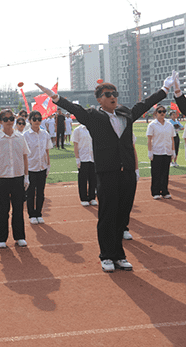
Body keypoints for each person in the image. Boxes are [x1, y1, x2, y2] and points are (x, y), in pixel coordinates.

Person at [36, 72, 178, 273]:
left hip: (127, 171)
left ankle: (119, 255)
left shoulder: (126, 113)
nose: (113, 96)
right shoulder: (94, 117)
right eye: (108, 93)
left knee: (122, 215)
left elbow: (145, 104)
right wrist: (55, 96)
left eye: (115, 93)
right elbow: (73, 108)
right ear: (99, 99)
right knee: (107, 214)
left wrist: (164, 89)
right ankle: (107, 256)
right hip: (107, 172)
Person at [0, 109, 30, 248]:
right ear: (0, 122)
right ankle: (1, 238)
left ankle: (19, 236)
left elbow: (25, 156)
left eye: (11, 118)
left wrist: (26, 176)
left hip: (17, 178)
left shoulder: (20, 137)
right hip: (2, 178)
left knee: (18, 209)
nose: (9, 122)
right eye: (5, 119)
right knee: (1, 210)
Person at [23, 111, 52, 224]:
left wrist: (48, 165)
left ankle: (39, 213)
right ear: (29, 120)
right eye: (34, 119)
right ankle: (32, 215)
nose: (37, 121)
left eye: (39, 119)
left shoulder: (45, 134)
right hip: (30, 168)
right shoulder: (25, 135)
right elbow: (23, 154)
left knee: (41, 193)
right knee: (30, 193)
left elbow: (47, 151)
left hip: (42, 167)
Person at [146, 105, 175, 199]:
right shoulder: (152, 125)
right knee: (156, 173)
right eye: (160, 111)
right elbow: (149, 139)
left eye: (164, 111)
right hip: (156, 152)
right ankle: (155, 192)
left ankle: (165, 191)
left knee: (165, 173)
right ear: (156, 113)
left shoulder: (169, 125)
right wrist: (150, 152)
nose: (162, 113)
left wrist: (173, 151)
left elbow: (172, 139)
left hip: (167, 151)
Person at [71, 124, 97, 206]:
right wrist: (77, 158)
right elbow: (75, 145)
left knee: (93, 179)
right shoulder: (78, 130)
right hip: (83, 158)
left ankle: (92, 197)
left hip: (92, 158)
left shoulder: (94, 128)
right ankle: (84, 198)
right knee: (83, 179)